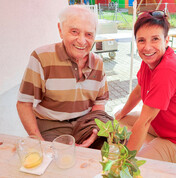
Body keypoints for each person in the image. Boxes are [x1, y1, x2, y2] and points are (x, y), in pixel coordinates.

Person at [115, 10, 176, 164]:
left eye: (155, 39)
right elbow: (138, 91)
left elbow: (145, 121)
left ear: (166, 40)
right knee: (118, 119)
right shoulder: (149, 61)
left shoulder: (167, 70)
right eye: (141, 40)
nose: (147, 47)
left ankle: (150, 150)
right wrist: (121, 114)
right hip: (162, 127)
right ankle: (150, 144)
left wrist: (124, 162)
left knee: (135, 166)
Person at [17, 5, 109, 148]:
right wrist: (39, 141)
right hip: (51, 125)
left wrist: (94, 133)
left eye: (89, 34)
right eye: (74, 31)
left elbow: (99, 102)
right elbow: (24, 104)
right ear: (60, 30)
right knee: (57, 163)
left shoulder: (98, 63)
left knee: (109, 152)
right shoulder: (41, 58)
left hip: (85, 123)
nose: (82, 41)